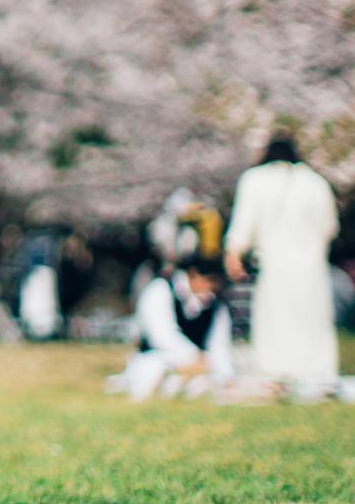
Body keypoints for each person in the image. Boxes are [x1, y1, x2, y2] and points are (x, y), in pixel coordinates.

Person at [224, 134, 340, 395]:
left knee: (275, 322)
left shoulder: (255, 179)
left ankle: (276, 376)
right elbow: (330, 227)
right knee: (313, 321)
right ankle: (318, 377)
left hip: (274, 262)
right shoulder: (315, 182)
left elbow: (243, 223)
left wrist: (234, 252)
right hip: (312, 265)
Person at [111, 252, 236, 400]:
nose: (212, 287)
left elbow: (219, 344)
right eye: (209, 281)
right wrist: (193, 357)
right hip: (157, 359)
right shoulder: (160, 289)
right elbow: (161, 336)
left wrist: (224, 374)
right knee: (155, 374)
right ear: (194, 275)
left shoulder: (216, 305)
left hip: (200, 366)